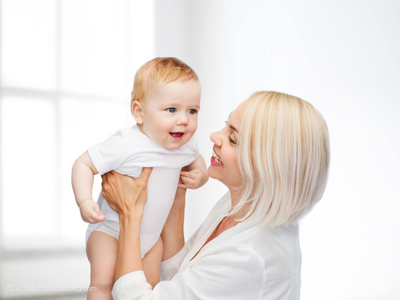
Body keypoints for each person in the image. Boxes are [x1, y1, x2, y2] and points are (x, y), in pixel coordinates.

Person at [101, 91, 330, 299]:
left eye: (233, 139)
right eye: (225, 125)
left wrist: (130, 213)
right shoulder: (242, 204)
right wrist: (177, 198)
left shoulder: (250, 255)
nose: (214, 136)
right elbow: (184, 277)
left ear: (269, 167)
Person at [71, 57, 209, 299]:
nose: (184, 120)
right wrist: (84, 201)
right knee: (103, 283)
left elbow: (199, 167)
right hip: (110, 231)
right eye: (172, 110)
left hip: (151, 238)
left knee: (148, 287)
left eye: (192, 110)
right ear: (139, 112)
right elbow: (83, 164)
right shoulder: (127, 143)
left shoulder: (187, 146)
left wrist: (200, 178)